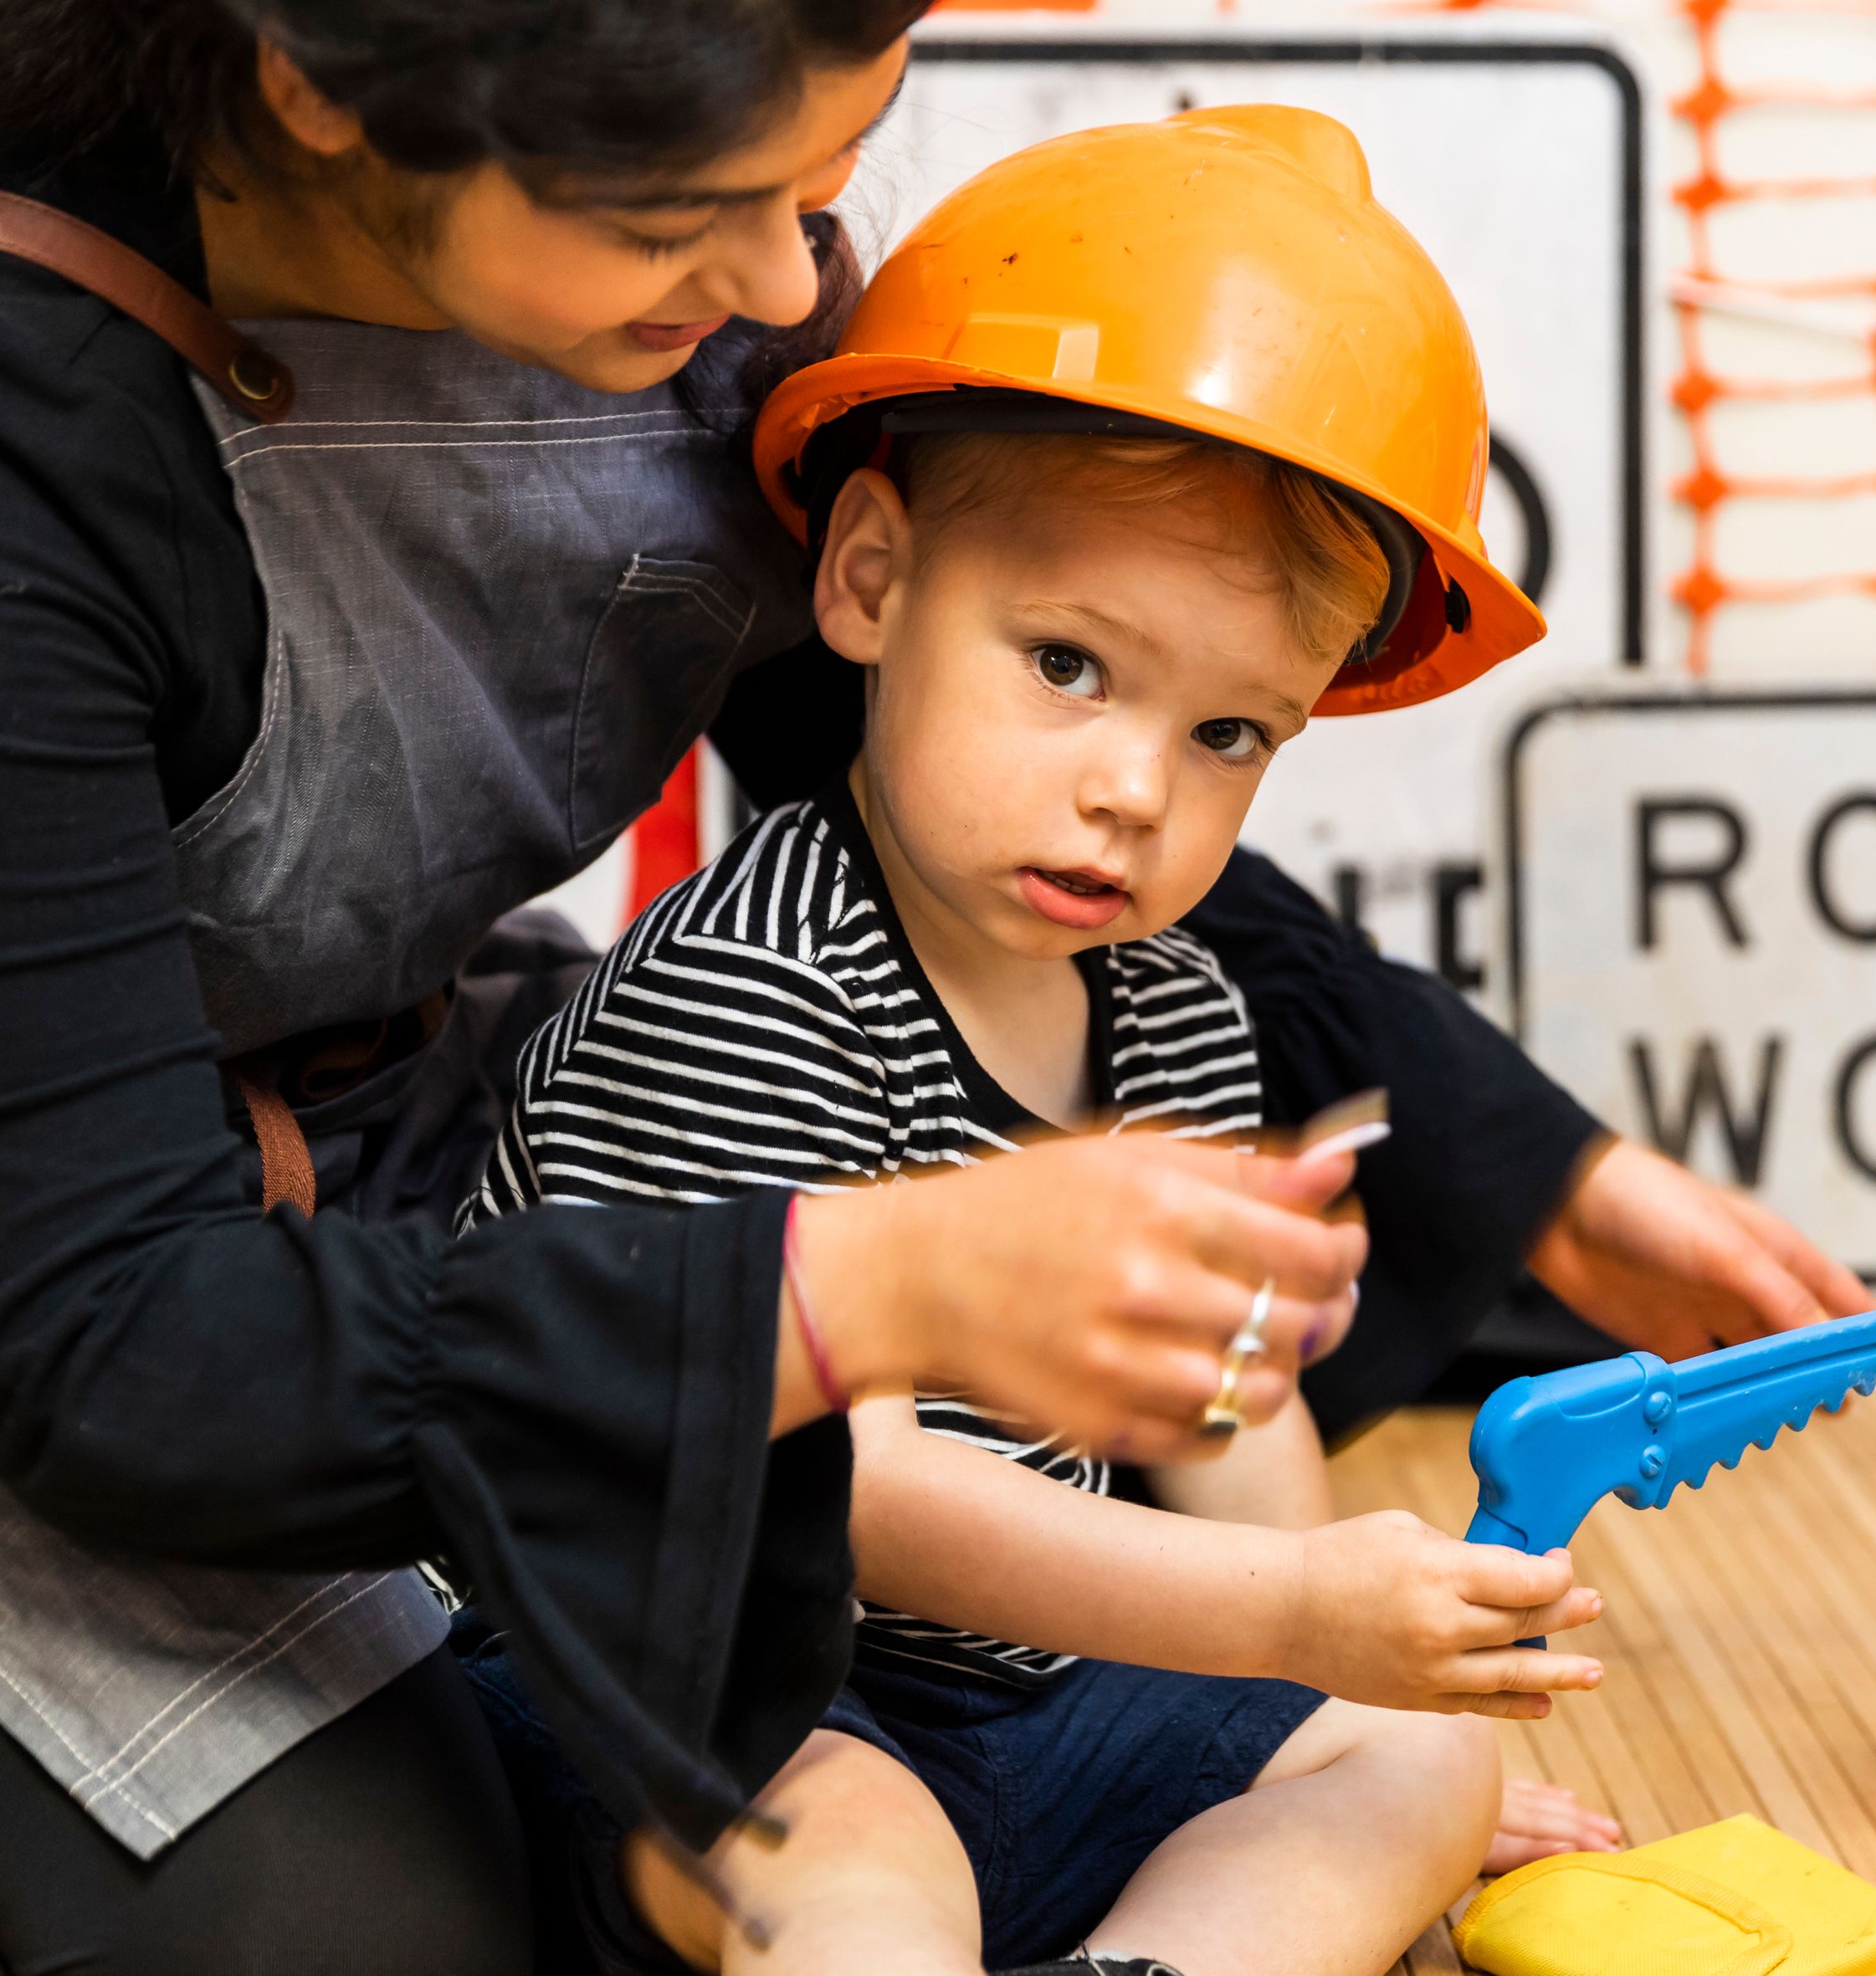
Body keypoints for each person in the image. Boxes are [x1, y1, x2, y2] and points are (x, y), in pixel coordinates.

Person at [0, 2, 1876, 1968]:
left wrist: (1536, 1170)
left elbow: (1013, 841)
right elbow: (103, 1338)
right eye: (701, 216)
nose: (793, 276)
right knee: (371, 1922)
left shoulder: (715, 315)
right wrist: (857, 1285)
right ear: (316, 76)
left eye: (825, 183)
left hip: (267, 1162)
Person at [459, 110, 1612, 1976]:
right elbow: (872, 1498)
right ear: (866, 582)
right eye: (1066, 664)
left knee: (1413, 1761)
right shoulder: (756, 983)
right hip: (690, 1691)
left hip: (1007, 1703)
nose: (1132, 790)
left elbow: (1230, 1424)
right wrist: (1289, 1609)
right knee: (857, 1846)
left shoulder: (1176, 1011)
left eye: (1230, 731)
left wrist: (1320, 1676)